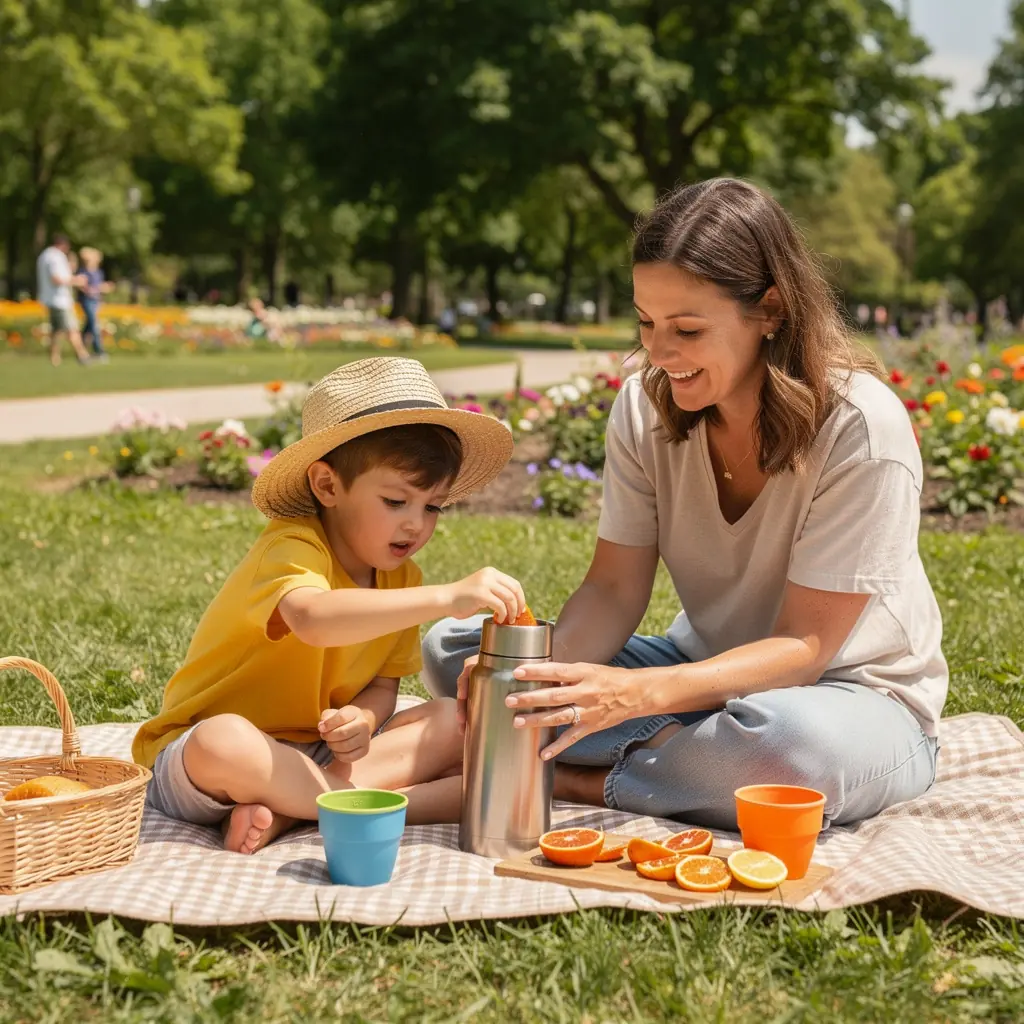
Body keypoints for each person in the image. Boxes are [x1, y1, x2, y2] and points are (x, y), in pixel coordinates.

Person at [423, 178, 946, 833]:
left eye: (687, 329)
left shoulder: (860, 428)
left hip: (847, 697)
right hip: (698, 675)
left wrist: (633, 696)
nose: (659, 353)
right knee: (465, 656)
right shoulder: (643, 408)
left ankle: (573, 778)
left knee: (788, 752)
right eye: (646, 323)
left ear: (772, 310)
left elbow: (806, 646)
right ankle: (682, 768)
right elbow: (613, 590)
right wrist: (531, 677)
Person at [132, 357, 523, 854]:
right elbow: (314, 619)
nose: (416, 525)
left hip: (315, 757)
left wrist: (361, 719)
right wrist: (446, 598)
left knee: (450, 720)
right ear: (327, 486)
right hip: (210, 760)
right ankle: (343, 803)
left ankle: (291, 813)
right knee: (222, 740)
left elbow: (384, 686)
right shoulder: (292, 547)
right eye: (396, 501)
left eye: (433, 507)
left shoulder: (401, 580)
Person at [36, 233, 90, 366]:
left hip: (50, 299)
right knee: (72, 328)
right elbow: (57, 278)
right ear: (64, 245)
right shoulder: (56, 257)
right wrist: (77, 281)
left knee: (56, 331)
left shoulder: (45, 255)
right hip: (60, 300)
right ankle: (82, 355)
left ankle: (55, 358)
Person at [77, 247, 114, 361]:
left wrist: (103, 290)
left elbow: (98, 288)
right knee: (94, 325)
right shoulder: (83, 272)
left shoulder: (98, 272)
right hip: (87, 301)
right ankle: (99, 351)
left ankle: (80, 349)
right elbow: (83, 287)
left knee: (88, 326)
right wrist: (99, 288)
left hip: (95, 301)